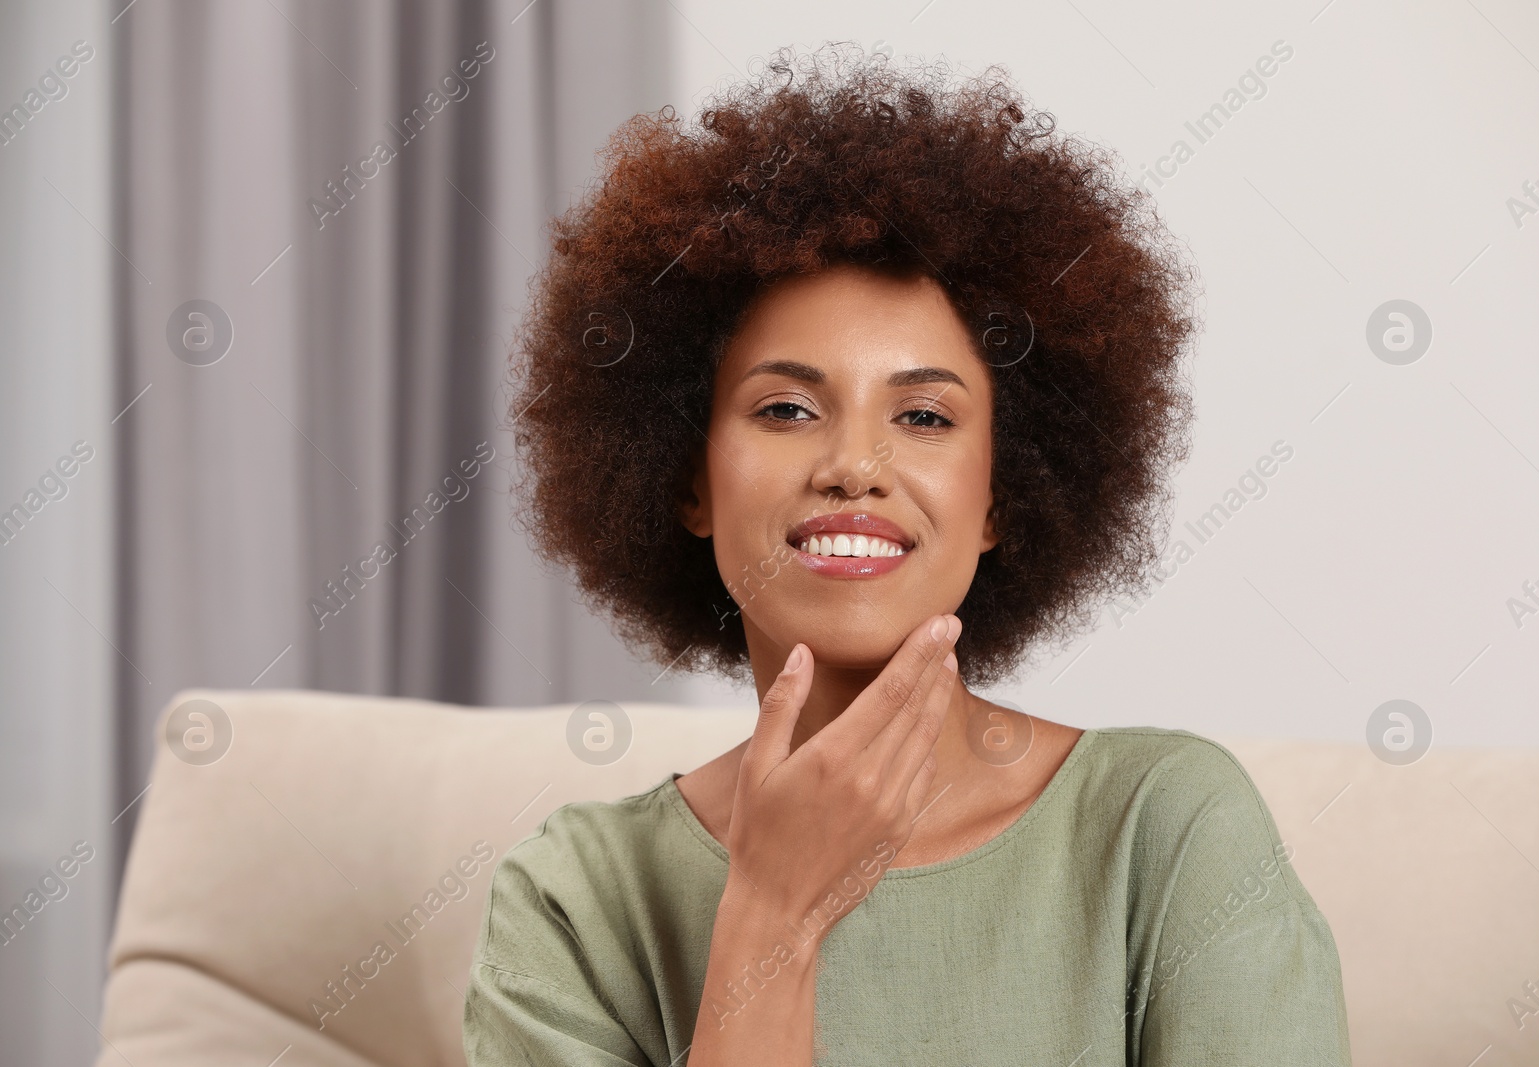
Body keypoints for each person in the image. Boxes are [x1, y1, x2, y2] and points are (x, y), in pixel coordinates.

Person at [463, 41, 1352, 1066]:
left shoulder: (1165, 829)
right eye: (787, 407)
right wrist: (772, 917)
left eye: (924, 415)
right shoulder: (576, 898)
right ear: (687, 479)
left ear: (999, 499)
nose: (853, 465)